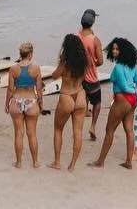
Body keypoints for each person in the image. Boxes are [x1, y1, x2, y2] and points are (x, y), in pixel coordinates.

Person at [90, 37, 137, 170]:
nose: (114, 51)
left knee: (109, 130)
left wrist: (130, 90)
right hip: (132, 101)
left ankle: (100, 161)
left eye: (117, 49)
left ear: (123, 51)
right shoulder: (132, 66)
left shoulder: (118, 67)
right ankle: (129, 161)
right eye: (113, 48)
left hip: (122, 100)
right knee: (129, 130)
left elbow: (123, 86)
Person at [46, 33, 90, 172]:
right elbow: (85, 76)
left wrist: (60, 64)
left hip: (66, 96)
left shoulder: (65, 62)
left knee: (58, 129)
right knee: (78, 132)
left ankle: (57, 162)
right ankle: (72, 165)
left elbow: (54, 76)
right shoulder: (85, 60)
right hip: (81, 96)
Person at [4, 41, 43, 168]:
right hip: (31, 101)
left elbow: (10, 88)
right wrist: (41, 103)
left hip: (16, 101)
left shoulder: (13, 69)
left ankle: (19, 162)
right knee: (32, 133)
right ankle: (35, 162)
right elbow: (39, 89)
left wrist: (7, 103)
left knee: (18, 133)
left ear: (20, 54)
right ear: (31, 54)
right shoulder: (36, 68)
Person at [78, 9, 105, 140]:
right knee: (98, 102)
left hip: (79, 77)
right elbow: (100, 61)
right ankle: (93, 126)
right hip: (92, 78)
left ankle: (81, 123)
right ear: (93, 22)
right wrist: (93, 63)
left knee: (84, 98)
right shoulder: (95, 40)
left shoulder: (76, 37)